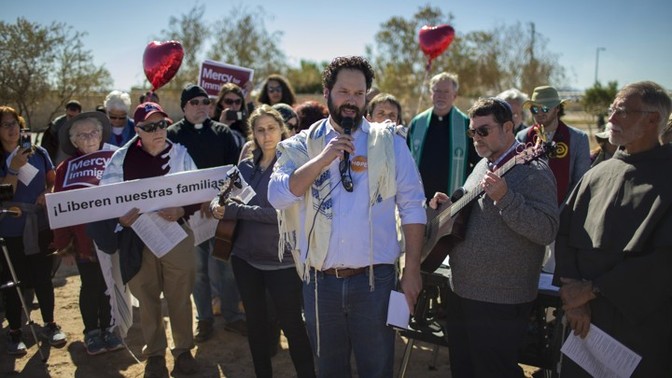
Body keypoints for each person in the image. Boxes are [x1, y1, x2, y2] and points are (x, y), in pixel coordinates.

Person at [268, 56, 426, 377]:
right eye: (344, 92)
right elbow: (278, 196)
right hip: (319, 284)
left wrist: (412, 271)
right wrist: (323, 158)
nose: (351, 101)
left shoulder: (390, 143)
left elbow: (412, 207)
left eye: (359, 93)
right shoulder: (303, 145)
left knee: (376, 368)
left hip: (375, 282)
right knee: (329, 369)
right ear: (327, 92)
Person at [430, 97, 559, 377]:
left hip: (500, 300)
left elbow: (547, 229)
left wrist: (506, 199)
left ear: (509, 127)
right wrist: (448, 206)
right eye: (472, 132)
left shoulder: (533, 170)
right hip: (462, 291)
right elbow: (473, 215)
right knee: (465, 369)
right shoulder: (483, 164)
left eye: (484, 130)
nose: (476, 138)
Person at [554, 81, 672, 377]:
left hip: (638, 328)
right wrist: (573, 299)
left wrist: (592, 290)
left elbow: (663, 261)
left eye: (622, 111)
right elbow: (565, 233)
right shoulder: (597, 173)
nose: (611, 119)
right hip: (583, 323)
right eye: (612, 110)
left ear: (653, 119)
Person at [212, 105, 315, 378]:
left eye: (271, 128)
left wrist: (236, 211)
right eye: (260, 130)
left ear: (281, 129)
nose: (266, 135)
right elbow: (222, 196)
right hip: (245, 260)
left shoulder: (293, 166)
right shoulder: (244, 167)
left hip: (282, 263)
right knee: (256, 326)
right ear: (253, 134)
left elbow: (282, 215)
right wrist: (216, 206)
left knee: (293, 326)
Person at [98, 102, 200, 376]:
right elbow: (107, 197)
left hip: (176, 233)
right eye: (150, 127)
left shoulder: (181, 155)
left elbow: (198, 192)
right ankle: (154, 354)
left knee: (180, 295)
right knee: (147, 296)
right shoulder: (122, 159)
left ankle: (183, 350)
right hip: (139, 237)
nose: (158, 131)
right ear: (138, 129)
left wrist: (182, 209)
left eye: (162, 125)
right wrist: (120, 218)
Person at [166, 84, 246, 342]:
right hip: (188, 217)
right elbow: (168, 178)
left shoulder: (223, 133)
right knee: (198, 271)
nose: (201, 106)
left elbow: (236, 172)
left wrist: (217, 199)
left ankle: (232, 316)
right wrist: (191, 203)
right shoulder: (172, 135)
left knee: (227, 266)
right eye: (194, 102)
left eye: (205, 102)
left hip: (220, 213)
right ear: (183, 107)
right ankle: (205, 319)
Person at [51, 112, 123, 355]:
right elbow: (59, 208)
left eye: (94, 132)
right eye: (83, 134)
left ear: (101, 134)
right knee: (91, 285)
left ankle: (110, 328)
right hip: (84, 241)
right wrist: (63, 246)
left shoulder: (116, 158)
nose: (90, 137)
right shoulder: (64, 169)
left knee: (111, 284)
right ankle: (92, 332)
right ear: (74, 141)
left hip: (115, 236)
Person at [0, 106, 67, 354]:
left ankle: (49, 325)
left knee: (42, 276)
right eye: (5, 124)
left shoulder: (38, 152)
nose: (12, 128)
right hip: (10, 227)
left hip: (39, 224)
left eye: (15, 123)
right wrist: (15, 167)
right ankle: (15, 330)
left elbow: (53, 182)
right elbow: (4, 194)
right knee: (14, 279)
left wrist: (46, 194)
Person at [407, 72, 480, 200]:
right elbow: (406, 160)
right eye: (437, 91)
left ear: (454, 95)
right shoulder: (417, 123)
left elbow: (479, 162)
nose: (441, 96)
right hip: (418, 201)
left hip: (454, 203)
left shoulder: (466, 124)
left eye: (446, 92)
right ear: (431, 94)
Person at [516, 86, 591, 206]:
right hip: (529, 210)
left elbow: (581, 182)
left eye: (545, 109)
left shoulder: (578, 138)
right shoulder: (522, 137)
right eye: (535, 109)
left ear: (557, 109)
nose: (539, 114)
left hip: (565, 210)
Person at [40, 99, 82, 165]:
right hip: (59, 162)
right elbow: (47, 147)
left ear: (79, 113)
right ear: (66, 111)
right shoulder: (56, 125)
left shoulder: (85, 125)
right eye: (70, 116)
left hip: (78, 163)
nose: (71, 119)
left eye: (74, 117)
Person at [214, 82, 250, 149]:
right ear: (221, 102)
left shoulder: (246, 123)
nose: (233, 105)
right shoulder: (212, 123)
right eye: (229, 101)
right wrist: (222, 125)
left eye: (238, 101)